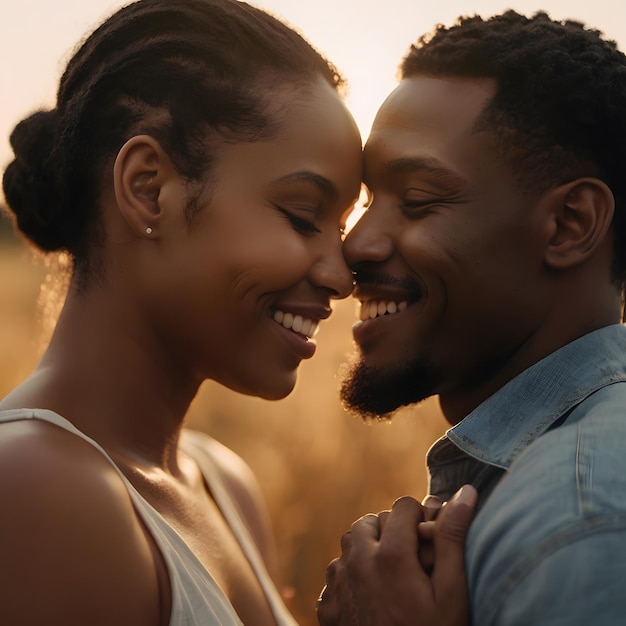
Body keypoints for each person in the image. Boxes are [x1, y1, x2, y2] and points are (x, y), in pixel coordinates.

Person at [0, 0, 365, 624]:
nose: (339, 275)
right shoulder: (35, 488)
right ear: (150, 189)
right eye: (304, 217)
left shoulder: (222, 483)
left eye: (340, 230)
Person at [318, 9, 626, 626]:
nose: (355, 245)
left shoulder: (580, 520)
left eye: (418, 201)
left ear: (570, 225)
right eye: (367, 200)